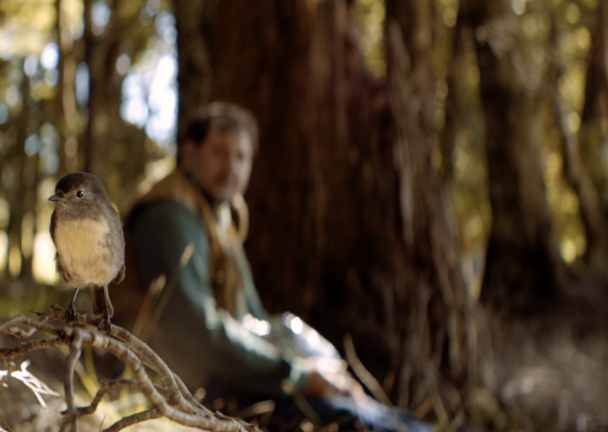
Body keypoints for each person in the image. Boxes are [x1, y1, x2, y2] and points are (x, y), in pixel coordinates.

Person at [116, 102, 431, 432]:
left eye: (241, 157)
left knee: (372, 412)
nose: (230, 167)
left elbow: (254, 319)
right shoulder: (170, 214)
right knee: (354, 420)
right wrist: (298, 377)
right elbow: (199, 330)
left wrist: (312, 366)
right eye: (219, 152)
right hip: (177, 387)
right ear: (190, 153)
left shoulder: (219, 217)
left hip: (221, 377)